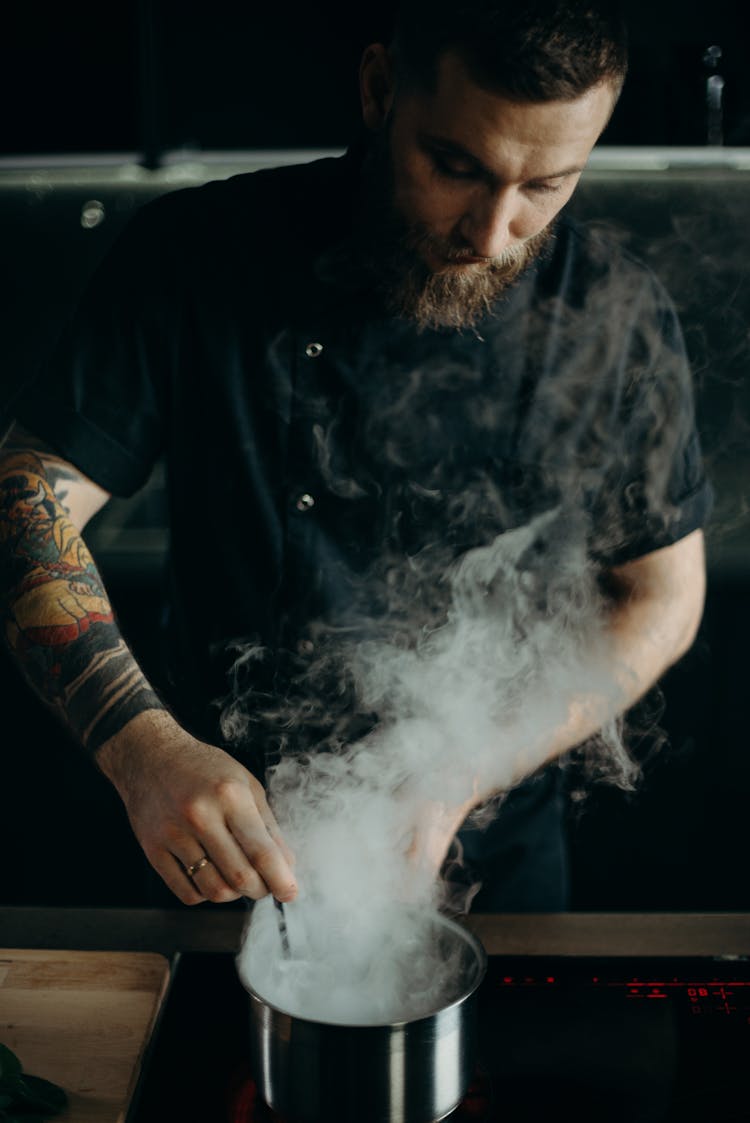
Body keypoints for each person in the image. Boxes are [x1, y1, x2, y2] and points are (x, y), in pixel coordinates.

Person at [0, 0, 710, 912]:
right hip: (206, 846)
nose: (493, 234)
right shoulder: (193, 256)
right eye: (456, 167)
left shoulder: (616, 311)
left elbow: (661, 596)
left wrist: (461, 768)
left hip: (493, 873)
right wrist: (142, 746)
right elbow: (21, 497)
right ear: (379, 89)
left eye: (547, 186)